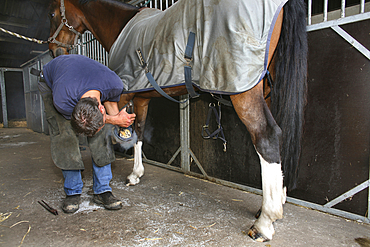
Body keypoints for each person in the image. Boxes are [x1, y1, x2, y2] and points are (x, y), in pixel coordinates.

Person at [38, 54, 135, 213]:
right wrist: (111, 120)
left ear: (100, 108)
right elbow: (85, 120)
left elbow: (111, 102)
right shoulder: (62, 101)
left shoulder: (114, 84)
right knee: (65, 134)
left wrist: (119, 124)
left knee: (100, 133)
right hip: (51, 83)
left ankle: (102, 190)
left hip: (82, 77)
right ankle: (72, 190)